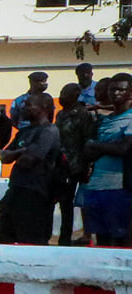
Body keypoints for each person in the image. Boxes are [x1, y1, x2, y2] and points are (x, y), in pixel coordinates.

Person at [0, 93, 60, 245]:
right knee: (5, 234)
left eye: (28, 105)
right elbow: (3, 157)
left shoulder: (49, 131)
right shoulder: (24, 132)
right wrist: (22, 151)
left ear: (43, 108)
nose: (23, 108)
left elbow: (29, 160)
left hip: (36, 193)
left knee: (31, 239)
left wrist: (18, 154)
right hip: (16, 189)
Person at [80, 73, 131, 248]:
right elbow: (87, 152)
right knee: (102, 241)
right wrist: (105, 146)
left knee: (121, 240)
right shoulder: (104, 120)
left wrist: (97, 145)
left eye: (121, 90)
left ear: (130, 93)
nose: (115, 93)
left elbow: (125, 148)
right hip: (96, 185)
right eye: (112, 90)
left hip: (119, 187)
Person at [52, 83, 94, 245]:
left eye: (65, 93)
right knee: (64, 202)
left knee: (80, 202)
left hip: (76, 166)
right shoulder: (61, 114)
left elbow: (87, 140)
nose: (62, 96)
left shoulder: (83, 115)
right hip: (60, 165)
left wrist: (86, 166)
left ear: (76, 94)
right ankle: (64, 237)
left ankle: (84, 235)